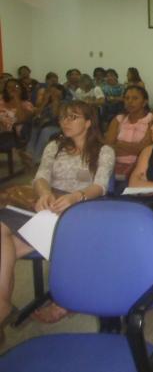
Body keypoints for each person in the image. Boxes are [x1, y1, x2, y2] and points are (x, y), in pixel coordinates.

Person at [0, 100, 115, 331]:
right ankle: (2, 305)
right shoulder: (54, 146)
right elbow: (40, 176)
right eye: (63, 117)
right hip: (47, 207)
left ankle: (3, 305)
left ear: (89, 122)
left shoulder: (104, 151)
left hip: (81, 209)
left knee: (8, 246)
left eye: (73, 117)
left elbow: (100, 186)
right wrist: (43, 193)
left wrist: (75, 197)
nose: (65, 122)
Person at [105, 86, 152, 185]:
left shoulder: (152, 121)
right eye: (127, 98)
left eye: (135, 98)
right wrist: (135, 148)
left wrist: (119, 144)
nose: (130, 102)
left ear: (144, 102)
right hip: (114, 166)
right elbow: (108, 147)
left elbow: (145, 150)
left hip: (141, 167)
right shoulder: (118, 120)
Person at [26, 83, 68, 163]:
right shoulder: (47, 103)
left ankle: (36, 158)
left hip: (58, 126)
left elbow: (56, 116)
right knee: (34, 126)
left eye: (55, 91)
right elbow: (37, 114)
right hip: (45, 125)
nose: (52, 93)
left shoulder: (64, 102)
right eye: (50, 91)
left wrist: (56, 100)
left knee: (46, 131)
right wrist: (45, 101)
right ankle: (29, 153)